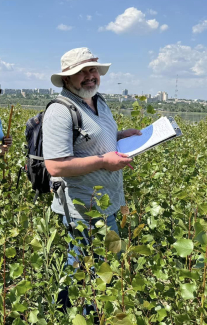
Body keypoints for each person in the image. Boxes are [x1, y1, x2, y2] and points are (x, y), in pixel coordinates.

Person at [42, 47, 141, 309]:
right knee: (82, 270)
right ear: (66, 79)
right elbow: (54, 165)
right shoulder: (60, 111)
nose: (90, 76)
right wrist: (103, 162)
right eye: (81, 72)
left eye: (93, 70)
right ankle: (71, 324)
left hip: (107, 203)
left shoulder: (99, 101)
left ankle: (83, 319)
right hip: (83, 208)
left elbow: (96, 141)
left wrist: (121, 137)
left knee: (100, 266)